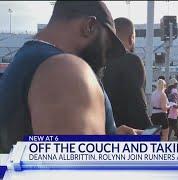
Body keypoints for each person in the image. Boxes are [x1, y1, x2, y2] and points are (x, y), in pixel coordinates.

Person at [0, 1, 141, 153]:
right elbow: (78, 170)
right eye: (107, 45)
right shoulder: (66, 70)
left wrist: (108, 137)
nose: (106, 58)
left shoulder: (27, 60)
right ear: (90, 26)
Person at [102, 17, 152, 130]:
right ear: (131, 38)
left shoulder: (97, 62)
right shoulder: (131, 60)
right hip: (127, 133)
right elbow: (137, 106)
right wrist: (149, 133)